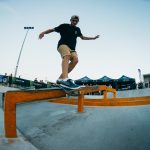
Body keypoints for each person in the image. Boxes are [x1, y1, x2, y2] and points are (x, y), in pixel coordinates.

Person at [39, 15, 99, 89]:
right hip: (62, 45)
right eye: (73, 20)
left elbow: (83, 37)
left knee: (75, 60)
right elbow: (52, 30)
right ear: (70, 20)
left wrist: (93, 38)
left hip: (72, 49)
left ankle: (60, 79)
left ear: (77, 22)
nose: (74, 22)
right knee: (67, 55)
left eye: (76, 21)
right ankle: (65, 79)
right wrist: (43, 33)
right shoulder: (64, 26)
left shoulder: (78, 29)